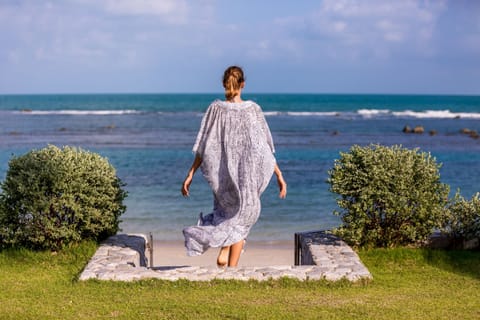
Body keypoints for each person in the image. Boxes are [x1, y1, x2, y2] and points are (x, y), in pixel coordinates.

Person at [181, 66, 287, 267]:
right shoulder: (253, 110)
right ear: (243, 84)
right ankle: (232, 268)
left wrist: (191, 173)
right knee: (243, 220)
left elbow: (205, 146)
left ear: (223, 84)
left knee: (230, 218)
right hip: (246, 177)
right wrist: (279, 175)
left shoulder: (215, 109)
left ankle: (224, 250)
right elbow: (263, 148)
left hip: (224, 179)